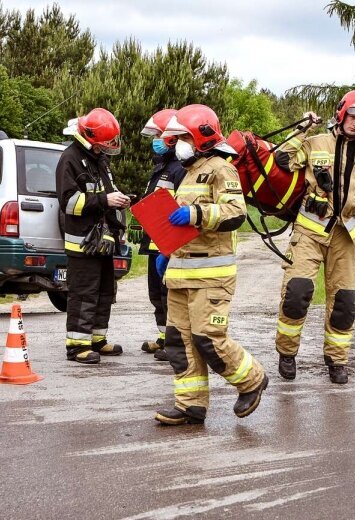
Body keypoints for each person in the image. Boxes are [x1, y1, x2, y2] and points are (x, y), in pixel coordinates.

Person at [273, 89, 355, 384]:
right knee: (297, 294)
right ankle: (287, 353)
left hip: (346, 236)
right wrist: (303, 128)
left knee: (344, 302)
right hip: (310, 230)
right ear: (342, 113)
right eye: (353, 117)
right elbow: (282, 159)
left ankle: (336, 360)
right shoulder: (316, 142)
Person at [154, 104, 268, 425]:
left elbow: (235, 212)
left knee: (208, 340)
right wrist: (167, 252)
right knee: (179, 341)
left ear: (201, 137)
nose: (177, 146)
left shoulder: (221, 169)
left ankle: (252, 381)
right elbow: (179, 227)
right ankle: (191, 404)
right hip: (181, 274)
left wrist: (197, 214)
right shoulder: (190, 174)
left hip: (211, 277)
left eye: (182, 138)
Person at [57, 108, 130, 365]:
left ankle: (97, 339)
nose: (107, 148)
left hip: (103, 242)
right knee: (83, 293)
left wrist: (118, 204)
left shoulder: (97, 159)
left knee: (104, 292)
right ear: (90, 138)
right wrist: (104, 200)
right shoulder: (71, 159)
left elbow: (107, 194)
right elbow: (68, 203)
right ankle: (77, 346)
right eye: (103, 144)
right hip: (83, 243)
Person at [130, 109, 187, 362]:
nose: (154, 141)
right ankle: (164, 337)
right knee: (156, 294)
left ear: (172, 138)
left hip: (169, 245)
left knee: (169, 295)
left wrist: (170, 245)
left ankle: (176, 342)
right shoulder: (161, 167)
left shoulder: (179, 169)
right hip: (155, 245)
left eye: (158, 136)